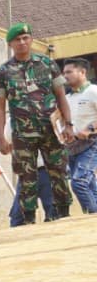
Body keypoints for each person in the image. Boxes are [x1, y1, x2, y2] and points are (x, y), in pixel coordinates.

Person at [0, 22, 76, 223]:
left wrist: (68, 125)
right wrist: (1, 138)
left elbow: (61, 96)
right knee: (26, 177)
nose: (22, 42)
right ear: (10, 44)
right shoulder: (3, 72)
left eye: (25, 38)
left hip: (51, 130)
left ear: (31, 39)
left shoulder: (47, 64)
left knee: (58, 172)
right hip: (22, 134)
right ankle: (28, 219)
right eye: (17, 39)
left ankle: (64, 214)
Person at [62, 58, 97, 214]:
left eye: (69, 72)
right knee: (90, 185)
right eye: (64, 73)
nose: (65, 76)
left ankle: (91, 220)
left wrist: (89, 129)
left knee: (79, 183)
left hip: (92, 143)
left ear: (82, 72)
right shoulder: (67, 98)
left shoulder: (93, 91)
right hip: (72, 147)